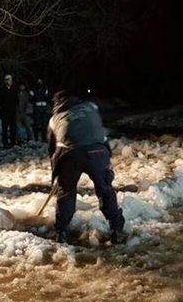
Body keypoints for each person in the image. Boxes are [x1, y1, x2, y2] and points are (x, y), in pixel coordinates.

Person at [47, 90, 127, 244]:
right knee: (106, 191)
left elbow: (52, 149)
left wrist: (57, 174)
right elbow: (97, 128)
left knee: (66, 192)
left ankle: (61, 232)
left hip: (70, 156)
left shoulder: (54, 119)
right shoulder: (91, 107)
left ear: (57, 104)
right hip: (98, 152)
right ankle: (117, 230)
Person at [0, 74, 18, 148]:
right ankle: (5, 143)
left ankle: (13, 142)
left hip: (12, 112)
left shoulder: (14, 89)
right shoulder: (1, 89)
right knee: (5, 128)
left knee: (13, 127)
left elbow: (16, 100)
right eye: (8, 80)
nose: (9, 81)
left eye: (10, 79)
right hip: (4, 112)